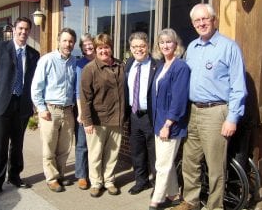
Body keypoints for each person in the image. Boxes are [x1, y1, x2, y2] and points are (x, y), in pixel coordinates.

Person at [173, 3, 247, 210]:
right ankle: (190, 201)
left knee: (216, 167)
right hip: (193, 111)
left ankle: (214, 207)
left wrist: (232, 118)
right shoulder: (192, 48)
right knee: (190, 161)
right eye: (197, 20)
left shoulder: (229, 47)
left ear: (214, 20)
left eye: (205, 19)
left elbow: (238, 86)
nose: (201, 23)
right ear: (193, 24)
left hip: (216, 112)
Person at [0, 17, 40, 201]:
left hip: (22, 106)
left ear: (29, 32)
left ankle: (14, 176)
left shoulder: (33, 54)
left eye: (26, 29)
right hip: (2, 105)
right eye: (20, 28)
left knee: (17, 145)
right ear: (14, 29)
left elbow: (33, 81)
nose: (23, 32)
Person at [31, 28, 77, 193]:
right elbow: (36, 86)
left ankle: (61, 175)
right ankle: (51, 179)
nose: (68, 44)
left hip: (68, 110)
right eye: (65, 40)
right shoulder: (47, 60)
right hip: (50, 110)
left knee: (65, 147)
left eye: (71, 41)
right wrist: (41, 108)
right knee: (49, 147)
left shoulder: (74, 62)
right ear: (58, 41)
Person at [148, 28, 190, 210]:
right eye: (162, 42)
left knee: (162, 164)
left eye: (169, 41)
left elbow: (179, 99)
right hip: (159, 122)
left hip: (171, 124)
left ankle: (156, 200)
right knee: (166, 162)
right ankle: (173, 194)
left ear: (176, 44)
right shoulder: (161, 65)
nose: (165, 45)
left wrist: (168, 124)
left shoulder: (180, 67)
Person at [80, 33, 125, 197]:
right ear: (96, 50)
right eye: (100, 48)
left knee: (112, 154)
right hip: (98, 120)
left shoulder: (120, 65)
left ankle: (109, 181)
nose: (104, 50)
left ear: (111, 48)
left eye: (106, 47)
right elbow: (85, 98)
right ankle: (96, 182)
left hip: (117, 118)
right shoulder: (90, 69)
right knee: (95, 153)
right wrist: (88, 122)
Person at [125, 32, 158, 195]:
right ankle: (141, 182)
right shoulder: (129, 63)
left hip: (151, 117)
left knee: (154, 154)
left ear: (148, 47)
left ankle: (158, 186)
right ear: (130, 48)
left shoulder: (157, 65)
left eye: (142, 46)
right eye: (135, 46)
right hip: (133, 115)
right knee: (137, 152)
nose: (138, 49)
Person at [75, 33, 95, 190]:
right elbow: (77, 91)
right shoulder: (79, 64)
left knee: (97, 145)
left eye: (90, 44)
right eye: (85, 45)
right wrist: (81, 112)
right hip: (84, 107)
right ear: (81, 48)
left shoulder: (101, 60)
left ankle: (96, 174)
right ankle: (82, 175)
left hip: (100, 109)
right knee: (82, 144)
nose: (88, 47)